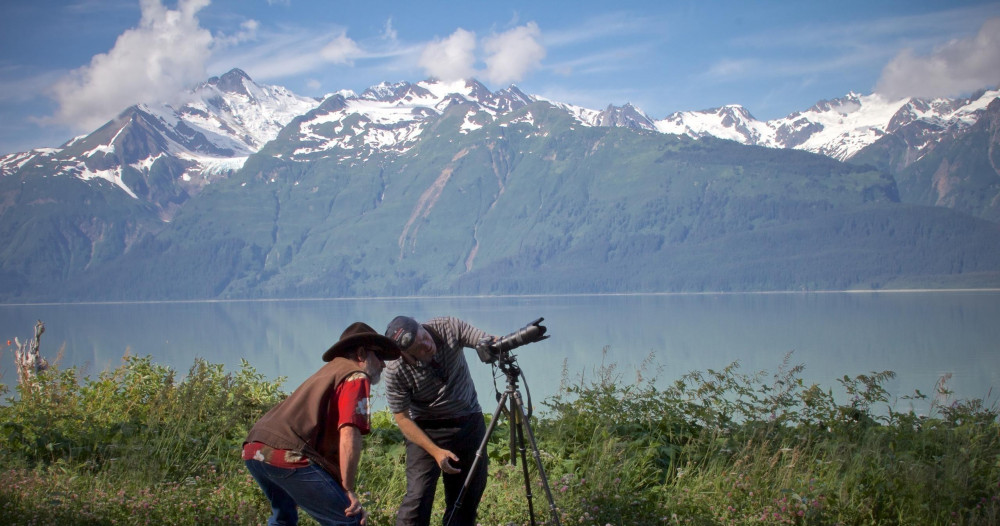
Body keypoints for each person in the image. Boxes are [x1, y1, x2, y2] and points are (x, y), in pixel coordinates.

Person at [243, 321, 401, 526]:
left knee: (284, 519)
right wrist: (348, 489)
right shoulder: (356, 375)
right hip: (286, 453)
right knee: (348, 519)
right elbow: (349, 434)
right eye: (379, 356)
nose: (383, 364)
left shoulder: (328, 371)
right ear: (361, 354)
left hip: (254, 449)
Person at [383, 315, 497, 526]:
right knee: (418, 496)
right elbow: (402, 418)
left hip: (468, 421)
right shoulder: (395, 369)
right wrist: (436, 452)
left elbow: (485, 340)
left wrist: (505, 343)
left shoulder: (448, 327)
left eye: (424, 336)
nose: (428, 345)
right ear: (405, 354)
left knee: (466, 496)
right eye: (419, 347)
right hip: (425, 429)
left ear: (421, 326)